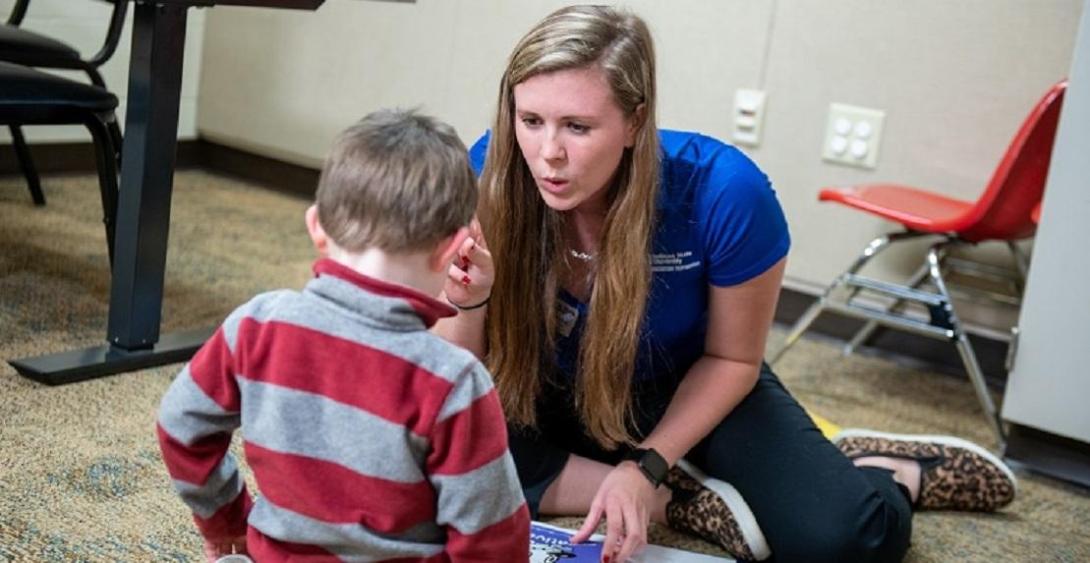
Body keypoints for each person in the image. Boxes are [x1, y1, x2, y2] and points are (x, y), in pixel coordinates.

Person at [435, 6, 1016, 563]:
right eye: (530, 120)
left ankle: (889, 471)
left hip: (689, 384)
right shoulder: (492, 173)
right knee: (435, 451)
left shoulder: (724, 191)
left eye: (578, 127)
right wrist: (470, 302)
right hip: (557, 386)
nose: (548, 155)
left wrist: (645, 465)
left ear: (635, 121)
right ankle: (683, 502)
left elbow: (733, 359)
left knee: (843, 541)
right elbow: (466, 381)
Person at [157, 109, 530, 562]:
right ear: (452, 251)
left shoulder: (256, 324)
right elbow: (493, 538)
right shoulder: (455, 381)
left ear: (316, 226)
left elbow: (181, 425)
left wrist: (228, 521)